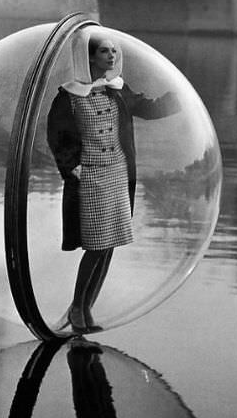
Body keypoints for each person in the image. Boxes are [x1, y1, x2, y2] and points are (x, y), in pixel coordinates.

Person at [47, 26, 180, 334]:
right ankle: (77, 306)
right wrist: (71, 167)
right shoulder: (68, 96)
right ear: (89, 56)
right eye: (104, 50)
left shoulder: (117, 89)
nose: (112, 55)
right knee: (95, 244)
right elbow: (58, 135)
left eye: (114, 50)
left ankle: (86, 307)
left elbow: (148, 108)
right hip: (90, 177)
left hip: (117, 173)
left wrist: (180, 96)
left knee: (110, 244)